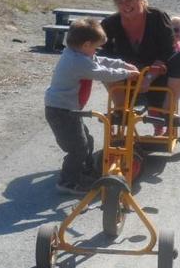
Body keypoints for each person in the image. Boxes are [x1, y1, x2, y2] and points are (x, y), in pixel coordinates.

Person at [45, 18, 139, 195]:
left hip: (68, 109)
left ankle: (85, 170)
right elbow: (102, 72)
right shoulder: (77, 62)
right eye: (95, 47)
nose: (96, 51)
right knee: (77, 148)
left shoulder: (79, 53)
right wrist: (126, 73)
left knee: (87, 140)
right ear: (86, 44)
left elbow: (100, 61)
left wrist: (122, 64)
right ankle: (67, 181)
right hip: (61, 111)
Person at [101, 0, 180, 131]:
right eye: (120, 1)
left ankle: (166, 113)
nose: (125, 5)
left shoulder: (157, 17)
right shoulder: (110, 23)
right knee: (103, 60)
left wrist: (149, 77)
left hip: (158, 78)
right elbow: (102, 52)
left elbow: (168, 51)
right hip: (126, 81)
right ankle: (120, 111)